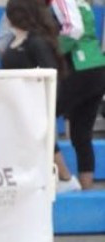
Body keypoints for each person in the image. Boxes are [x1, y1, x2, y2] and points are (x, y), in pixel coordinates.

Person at [0, 0, 82, 191]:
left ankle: (66, 178)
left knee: (43, 141)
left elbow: (51, 73)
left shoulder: (37, 42)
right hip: (16, 102)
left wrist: (45, 101)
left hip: (33, 103)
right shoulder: (13, 41)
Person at [55, 0, 105, 189]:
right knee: (81, 135)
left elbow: (73, 29)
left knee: (41, 118)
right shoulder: (83, 3)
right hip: (97, 67)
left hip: (80, 67)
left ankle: (65, 178)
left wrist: (52, 51)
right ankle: (86, 190)